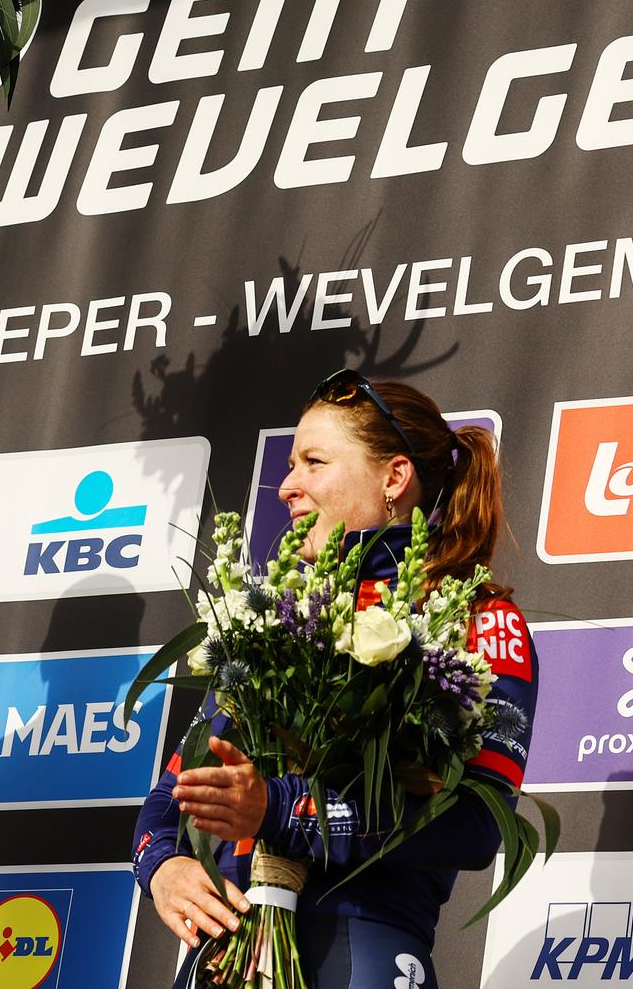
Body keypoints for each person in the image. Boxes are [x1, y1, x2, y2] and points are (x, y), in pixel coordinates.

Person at [131, 371, 539, 989]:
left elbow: (477, 825)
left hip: (361, 955)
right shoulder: (268, 619)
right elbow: (176, 789)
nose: (286, 487)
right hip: (225, 953)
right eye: (290, 465)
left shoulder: (479, 619)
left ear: (394, 478)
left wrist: (282, 810)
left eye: (313, 462)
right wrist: (163, 865)